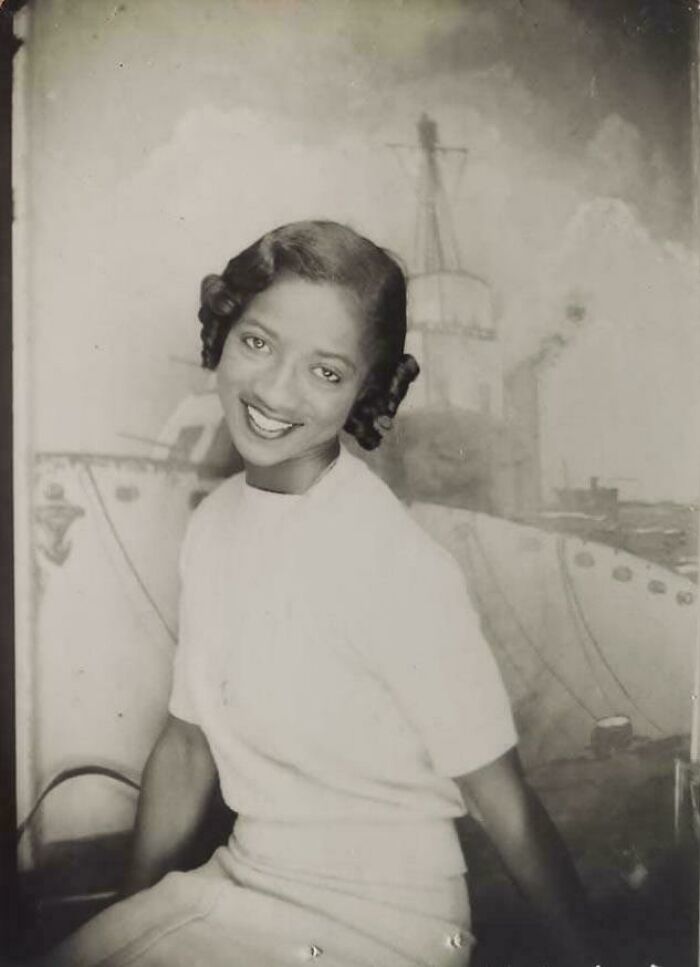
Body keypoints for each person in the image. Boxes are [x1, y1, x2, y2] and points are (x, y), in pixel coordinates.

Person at [37, 221, 590, 967]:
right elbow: (189, 743)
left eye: (326, 371)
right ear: (223, 329)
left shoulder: (397, 563)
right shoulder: (217, 524)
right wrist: (134, 914)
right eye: (258, 343)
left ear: (368, 386)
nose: (273, 389)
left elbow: (505, 804)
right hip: (245, 882)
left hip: (389, 924)